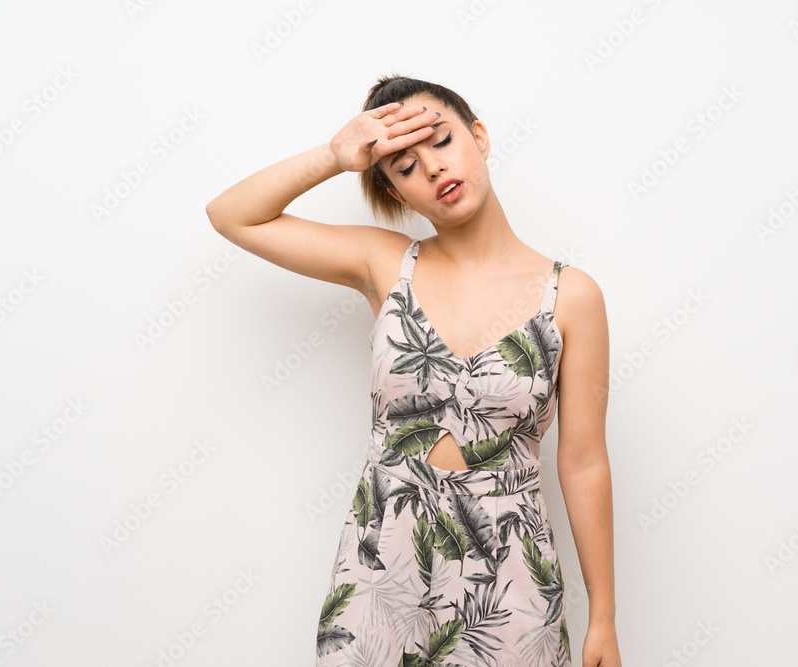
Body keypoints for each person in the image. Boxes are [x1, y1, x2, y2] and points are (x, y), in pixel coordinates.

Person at [206, 74, 620, 667]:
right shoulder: (383, 264)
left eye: (442, 140)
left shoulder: (572, 296)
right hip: (382, 564)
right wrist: (334, 155)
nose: (431, 168)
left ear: (479, 136)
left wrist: (603, 618)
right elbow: (232, 216)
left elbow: (583, 463)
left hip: (508, 575)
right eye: (404, 167)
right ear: (397, 193)